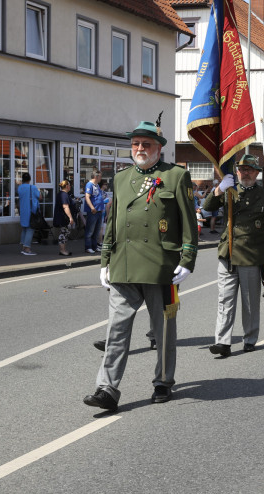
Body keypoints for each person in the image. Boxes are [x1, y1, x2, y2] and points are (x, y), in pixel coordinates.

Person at [83, 118, 198, 411]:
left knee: (162, 330)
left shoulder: (175, 176)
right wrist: (104, 260)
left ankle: (162, 381)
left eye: (146, 144)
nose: (140, 149)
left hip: (160, 266)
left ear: (159, 148)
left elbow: (188, 223)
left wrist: (187, 259)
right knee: (116, 330)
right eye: (135, 144)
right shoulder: (121, 179)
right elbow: (113, 223)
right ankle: (106, 388)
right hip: (124, 265)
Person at [204, 154, 264, 356]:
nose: (246, 173)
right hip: (228, 253)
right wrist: (219, 189)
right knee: (225, 300)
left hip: (251, 255)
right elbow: (207, 208)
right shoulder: (229, 189)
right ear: (237, 171)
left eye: (250, 170)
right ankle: (222, 341)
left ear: (257, 173)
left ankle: (250, 338)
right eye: (242, 169)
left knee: (250, 302)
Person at [17, 172, 41, 256]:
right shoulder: (33, 187)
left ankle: (23, 247)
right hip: (31, 211)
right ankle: (27, 248)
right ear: (30, 179)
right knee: (30, 229)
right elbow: (40, 197)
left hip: (23, 210)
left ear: (22, 179)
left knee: (24, 228)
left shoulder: (19, 188)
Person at [53, 180, 76, 256]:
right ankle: (62, 250)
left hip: (63, 217)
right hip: (63, 218)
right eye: (69, 185)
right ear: (67, 186)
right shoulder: (63, 195)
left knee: (65, 233)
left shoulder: (63, 194)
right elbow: (65, 206)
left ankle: (64, 249)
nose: (70, 187)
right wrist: (70, 218)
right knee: (64, 233)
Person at [83, 170, 102, 254]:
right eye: (100, 176)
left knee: (96, 230)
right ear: (96, 177)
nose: (101, 178)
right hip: (93, 211)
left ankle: (94, 246)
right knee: (90, 230)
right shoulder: (89, 185)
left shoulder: (97, 185)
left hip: (99, 210)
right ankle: (88, 247)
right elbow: (87, 197)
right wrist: (92, 207)